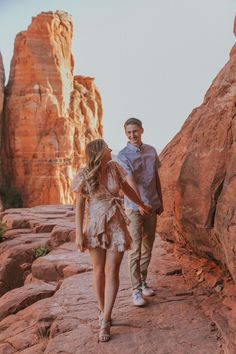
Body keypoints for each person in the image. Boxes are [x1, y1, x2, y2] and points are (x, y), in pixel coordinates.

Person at [71, 138, 151, 342]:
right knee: (98, 270)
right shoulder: (85, 173)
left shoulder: (114, 168)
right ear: (99, 152)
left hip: (116, 223)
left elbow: (127, 190)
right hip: (96, 226)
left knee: (112, 270)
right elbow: (80, 206)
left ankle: (106, 319)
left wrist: (140, 203)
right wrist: (79, 233)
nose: (110, 148)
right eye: (107, 147)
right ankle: (101, 310)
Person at [117, 117, 163, 307]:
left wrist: (161, 201)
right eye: (128, 132)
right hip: (134, 208)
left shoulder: (151, 151)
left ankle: (143, 282)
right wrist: (141, 204)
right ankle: (135, 291)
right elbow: (130, 182)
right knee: (135, 249)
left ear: (142, 130)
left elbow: (156, 179)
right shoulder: (122, 155)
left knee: (148, 247)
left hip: (152, 204)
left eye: (135, 131)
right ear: (125, 134)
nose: (132, 135)